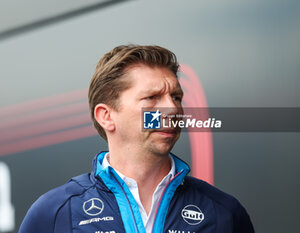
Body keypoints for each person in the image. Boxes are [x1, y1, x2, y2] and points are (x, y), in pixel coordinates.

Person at [19, 45, 255, 233]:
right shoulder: (54, 213)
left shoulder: (224, 213)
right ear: (107, 116)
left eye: (176, 97)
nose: (172, 110)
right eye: (152, 98)